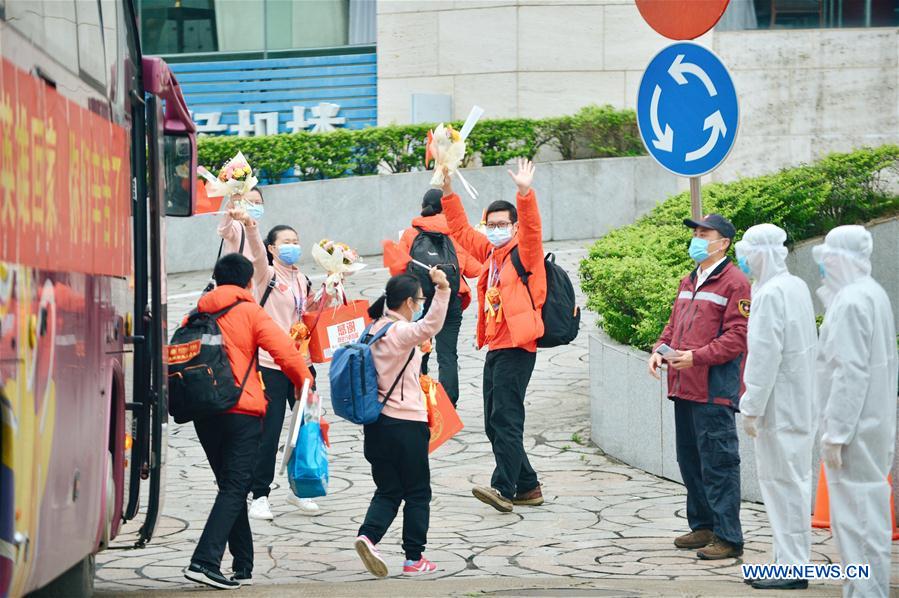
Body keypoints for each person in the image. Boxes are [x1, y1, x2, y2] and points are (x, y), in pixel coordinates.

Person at [185, 253, 313, 590]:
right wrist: (304, 386)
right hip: (240, 411)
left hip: (203, 411)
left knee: (231, 484)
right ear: (246, 282)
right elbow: (285, 351)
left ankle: (243, 564)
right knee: (235, 485)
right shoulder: (249, 311)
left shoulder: (196, 313)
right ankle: (204, 561)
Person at [440, 158, 547, 513]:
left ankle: (503, 487)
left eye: (503, 224)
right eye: (491, 224)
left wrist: (524, 193)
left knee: (506, 418)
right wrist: (447, 188)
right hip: (496, 347)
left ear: (513, 226)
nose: (496, 229)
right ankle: (529, 486)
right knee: (492, 421)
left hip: (519, 347)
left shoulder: (524, 253)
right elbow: (458, 230)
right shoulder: (492, 254)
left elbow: (532, 228)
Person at [647, 213, 750, 560]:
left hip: (712, 389)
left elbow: (737, 337)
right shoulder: (689, 279)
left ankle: (728, 537)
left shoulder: (735, 282)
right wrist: (659, 351)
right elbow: (674, 324)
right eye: (696, 233)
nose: (697, 238)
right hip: (683, 385)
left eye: (704, 234)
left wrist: (696, 357)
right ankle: (703, 525)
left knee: (718, 462)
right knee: (690, 460)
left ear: (723, 243)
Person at [813, 225, 898, 598]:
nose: (824, 264)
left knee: (856, 521)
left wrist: (836, 432)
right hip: (872, 426)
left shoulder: (850, 303)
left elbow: (849, 373)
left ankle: (866, 592)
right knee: (869, 517)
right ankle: (867, 588)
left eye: (829, 256)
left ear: (842, 258)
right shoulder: (872, 294)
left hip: (854, 431)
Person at [735, 224, 817, 590]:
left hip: (777, 408)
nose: (744, 260)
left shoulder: (769, 295)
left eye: (747, 253)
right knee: (792, 485)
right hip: (798, 403)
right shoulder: (795, 286)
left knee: (782, 487)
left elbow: (765, 356)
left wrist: (751, 405)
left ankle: (792, 567)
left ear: (762, 253)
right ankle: (788, 560)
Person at [354, 269, 450, 578]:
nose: (421, 305)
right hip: (406, 424)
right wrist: (443, 289)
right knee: (418, 492)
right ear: (409, 302)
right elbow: (432, 324)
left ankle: (368, 536)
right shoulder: (398, 331)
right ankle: (414, 558)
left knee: (388, 489)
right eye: (420, 300)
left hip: (376, 425)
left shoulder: (372, 330)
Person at [240, 215, 320, 519]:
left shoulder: (301, 278)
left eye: (296, 241)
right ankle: (259, 494)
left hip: (302, 364)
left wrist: (331, 291)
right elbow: (256, 256)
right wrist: (250, 226)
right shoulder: (266, 274)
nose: (293, 247)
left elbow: (309, 312)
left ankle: (303, 489)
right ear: (272, 248)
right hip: (271, 363)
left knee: (307, 428)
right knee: (269, 431)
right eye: (287, 242)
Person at [389, 188, 481, 406]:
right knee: (448, 354)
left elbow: (397, 269)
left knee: (420, 352)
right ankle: (449, 405)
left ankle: (420, 399)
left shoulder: (410, 234)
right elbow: (474, 269)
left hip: (420, 303)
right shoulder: (454, 234)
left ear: (423, 207)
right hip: (450, 299)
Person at [217, 187, 264, 260]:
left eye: (257, 203)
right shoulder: (236, 225)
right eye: (249, 202)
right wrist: (230, 206)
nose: (253, 206)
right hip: (239, 270)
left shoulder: (254, 225)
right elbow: (223, 231)